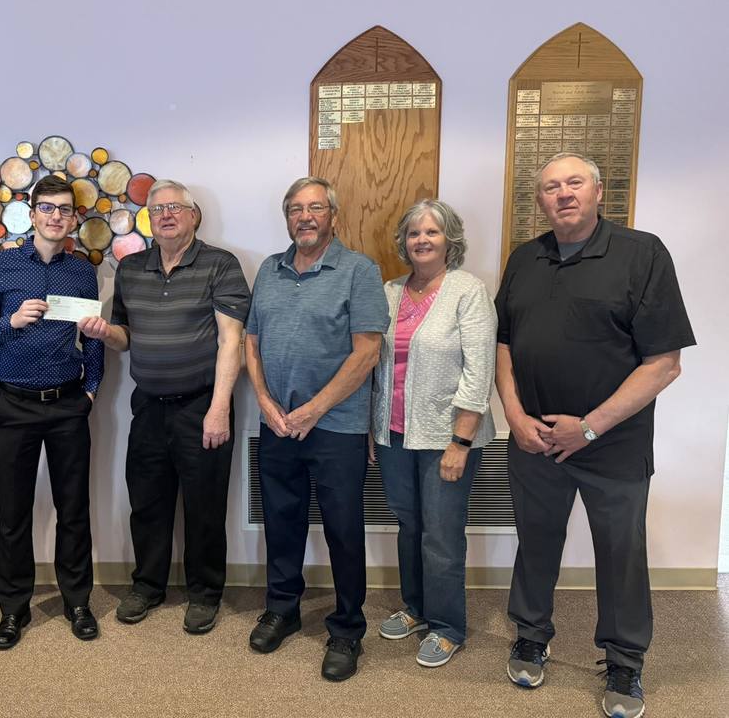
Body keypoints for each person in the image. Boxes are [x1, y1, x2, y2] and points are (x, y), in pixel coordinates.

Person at [495, 152, 694, 718]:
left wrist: (588, 427)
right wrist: (514, 414)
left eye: (574, 182)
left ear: (598, 191)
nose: (563, 193)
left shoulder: (642, 254)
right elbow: (504, 343)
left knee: (620, 552)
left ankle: (625, 661)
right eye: (551, 186)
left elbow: (664, 364)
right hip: (534, 441)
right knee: (536, 543)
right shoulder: (525, 258)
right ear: (540, 200)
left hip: (613, 444)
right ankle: (531, 634)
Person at [80, 179, 249, 635]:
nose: (166, 215)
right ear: (149, 219)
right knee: (147, 503)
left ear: (194, 216)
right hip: (149, 407)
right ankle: (147, 586)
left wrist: (219, 408)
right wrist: (103, 333)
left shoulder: (220, 264)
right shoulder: (131, 268)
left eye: (175, 207)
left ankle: (205, 593)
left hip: (202, 405)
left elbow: (231, 340)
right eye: (157, 210)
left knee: (204, 507)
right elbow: (125, 337)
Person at [244, 176, 389, 682]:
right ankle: (282, 609)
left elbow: (367, 352)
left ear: (333, 216)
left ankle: (347, 629)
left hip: (337, 427)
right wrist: (264, 400)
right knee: (281, 521)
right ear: (287, 217)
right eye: (296, 209)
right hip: (278, 423)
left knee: (343, 530)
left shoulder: (358, 270)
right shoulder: (269, 269)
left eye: (316, 208)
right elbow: (251, 342)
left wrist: (315, 409)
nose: (305, 217)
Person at [0, 175, 105, 648]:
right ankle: (13, 608)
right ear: (31, 213)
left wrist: (91, 390)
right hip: (15, 405)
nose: (56, 216)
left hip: (68, 405)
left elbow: (94, 337)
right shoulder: (2, 266)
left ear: (74, 217)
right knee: (13, 513)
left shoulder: (82, 272)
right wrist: (11, 321)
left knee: (74, 510)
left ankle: (77, 601)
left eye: (64, 209)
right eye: (47, 207)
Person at [370, 199, 497, 668]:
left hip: (446, 438)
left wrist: (461, 441)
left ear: (450, 240)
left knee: (441, 534)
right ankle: (417, 607)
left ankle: (447, 626)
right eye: (414, 233)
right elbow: (374, 366)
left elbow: (479, 371)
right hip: (393, 435)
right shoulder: (389, 291)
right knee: (409, 526)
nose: (421, 240)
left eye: (432, 232)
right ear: (403, 242)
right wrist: (372, 428)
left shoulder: (468, 291)